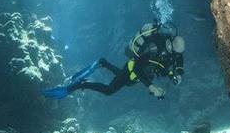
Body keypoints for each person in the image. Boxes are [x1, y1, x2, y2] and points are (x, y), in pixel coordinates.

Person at [43, 22, 185, 101]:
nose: (175, 56)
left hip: (136, 74)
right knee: (110, 90)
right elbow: (136, 69)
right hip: (133, 68)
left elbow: (179, 59)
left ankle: (103, 63)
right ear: (169, 44)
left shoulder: (172, 51)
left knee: (127, 80)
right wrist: (151, 87)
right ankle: (80, 84)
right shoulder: (153, 49)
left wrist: (178, 73)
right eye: (174, 52)